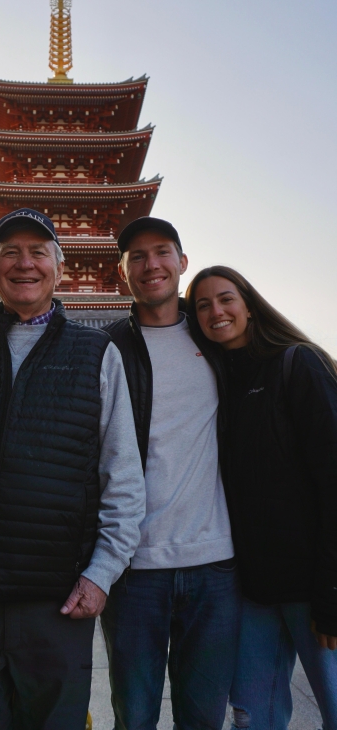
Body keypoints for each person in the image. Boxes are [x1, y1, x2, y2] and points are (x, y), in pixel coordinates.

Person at [0, 208, 146, 730]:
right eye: (9, 252)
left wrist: (101, 575)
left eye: (37, 252)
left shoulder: (97, 351)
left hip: (57, 601)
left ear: (60, 265)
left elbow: (122, 475)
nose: (23, 263)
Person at [100, 217, 241, 730]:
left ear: (183, 263)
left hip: (215, 564)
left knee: (203, 717)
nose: (151, 264)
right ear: (122, 273)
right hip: (134, 568)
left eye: (162, 252)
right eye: (136, 257)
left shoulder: (223, 341)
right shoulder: (107, 347)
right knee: (133, 716)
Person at [186, 265, 337, 730]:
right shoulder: (217, 383)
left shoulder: (297, 363)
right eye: (203, 305)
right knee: (252, 713)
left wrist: (331, 591)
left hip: (313, 584)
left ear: (249, 305)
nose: (217, 311)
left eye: (226, 299)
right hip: (253, 588)